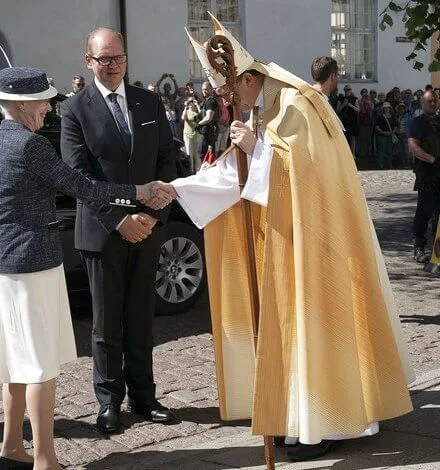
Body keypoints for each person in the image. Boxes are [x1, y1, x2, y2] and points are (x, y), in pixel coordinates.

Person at [177, 17, 414, 462]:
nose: (228, 102)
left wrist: (256, 150)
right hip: (284, 241)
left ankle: (329, 420)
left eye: (230, 92)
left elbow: (308, 175)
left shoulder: (295, 103)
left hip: (319, 242)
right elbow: (241, 174)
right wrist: (177, 188)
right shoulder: (264, 106)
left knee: (317, 330)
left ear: (249, 78)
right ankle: (296, 416)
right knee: (288, 334)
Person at [0, 67, 168, 470]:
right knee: (39, 366)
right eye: (45, 100)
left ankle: (11, 448)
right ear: (23, 105)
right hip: (32, 267)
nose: (50, 107)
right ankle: (46, 458)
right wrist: (138, 191)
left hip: (0, 267)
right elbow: (84, 187)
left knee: (13, 363)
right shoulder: (30, 147)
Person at [59, 27, 177, 435]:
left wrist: (154, 213)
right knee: (107, 324)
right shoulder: (74, 110)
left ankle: (145, 397)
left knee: (142, 317)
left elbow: (167, 157)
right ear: (88, 61)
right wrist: (119, 219)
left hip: (146, 229)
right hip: (102, 233)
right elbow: (78, 177)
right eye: (104, 59)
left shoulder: (147, 101)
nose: (112, 66)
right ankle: (110, 402)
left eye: (118, 58)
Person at [407, 90, 440, 263]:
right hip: (427, 173)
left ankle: (437, 251)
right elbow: (413, 146)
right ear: (422, 103)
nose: (433, 104)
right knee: (424, 211)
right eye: (429, 101)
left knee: (439, 214)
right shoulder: (417, 123)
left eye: (435, 101)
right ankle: (418, 247)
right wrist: (432, 160)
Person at [196, 81, 220, 160]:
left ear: (211, 89)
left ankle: (207, 171)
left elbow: (209, 117)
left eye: (206, 89)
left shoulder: (210, 101)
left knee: (204, 154)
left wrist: (199, 124)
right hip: (208, 131)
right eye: (203, 89)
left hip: (208, 131)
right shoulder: (207, 101)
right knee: (206, 154)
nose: (204, 91)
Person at [337, 84, 360, 157]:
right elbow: (337, 110)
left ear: (351, 90)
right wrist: (343, 104)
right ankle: (345, 153)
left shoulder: (354, 99)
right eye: (345, 90)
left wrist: (351, 106)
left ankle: (353, 154)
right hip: (344, 120)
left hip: (352, 119)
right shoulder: (341, 99)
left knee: (353, 137)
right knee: (345, 137)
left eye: (348, 89)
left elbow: (358, 110)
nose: (347, 91)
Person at [181, 95, 201, 172]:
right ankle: (191, 170)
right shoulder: (186, 111)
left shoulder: (197, 111)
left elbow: (202, 116)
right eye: (190, 101)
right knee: (189, 153)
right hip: (188, 134)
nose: (191, 103)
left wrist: (197, 105)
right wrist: (186, 107)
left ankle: (198, 170)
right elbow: (183, 118)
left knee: (197, 153)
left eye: (192, 101)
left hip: (196, 134)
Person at [374, 102, 397, 169]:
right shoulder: (380, 117)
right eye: (385, 108)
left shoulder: (393, 117)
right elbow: (377, 127)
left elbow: (396, 126)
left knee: (389, 151)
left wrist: (392, 132)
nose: (386, 109)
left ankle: (389, 164)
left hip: (390, 135)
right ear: (383, 109)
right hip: (381, 136)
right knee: (381, 151)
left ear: (389, 109)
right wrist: (383, 132)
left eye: (387, 108)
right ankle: (381, 164)